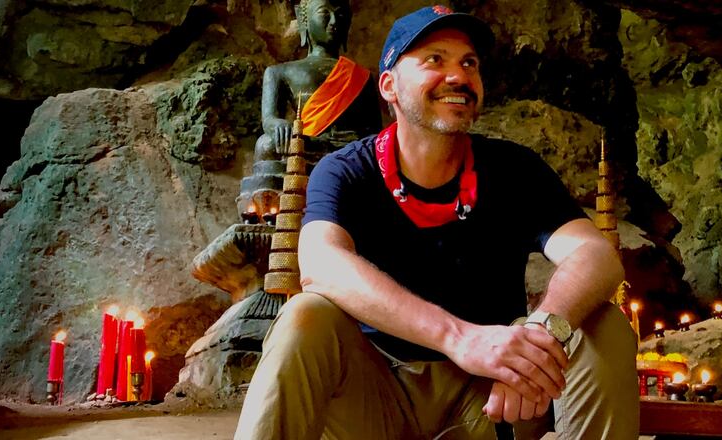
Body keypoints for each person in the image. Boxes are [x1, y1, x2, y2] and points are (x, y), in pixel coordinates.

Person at [234, 5, 639, 440]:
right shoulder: (345, 170)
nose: (458, 76)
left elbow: (596, 254)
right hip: (372, 399)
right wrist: (461, 340)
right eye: (434, 60)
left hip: (491, 401)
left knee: (603, 324)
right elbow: (320, 264)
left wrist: (542, 333)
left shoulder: (514, 169)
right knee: (305, 315)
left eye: (469, 63)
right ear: (388, 85)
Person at [239, 0, 381, 214]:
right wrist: (279, 125)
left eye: (340, 16)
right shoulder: (279, 72)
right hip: (305, 147)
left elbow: (374, 132)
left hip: (345, 148)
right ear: (304, 19)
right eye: (325, 14)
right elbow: (269, 119)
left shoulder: (362, 77)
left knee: (372, 153)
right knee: (266, 144)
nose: (334, 22)